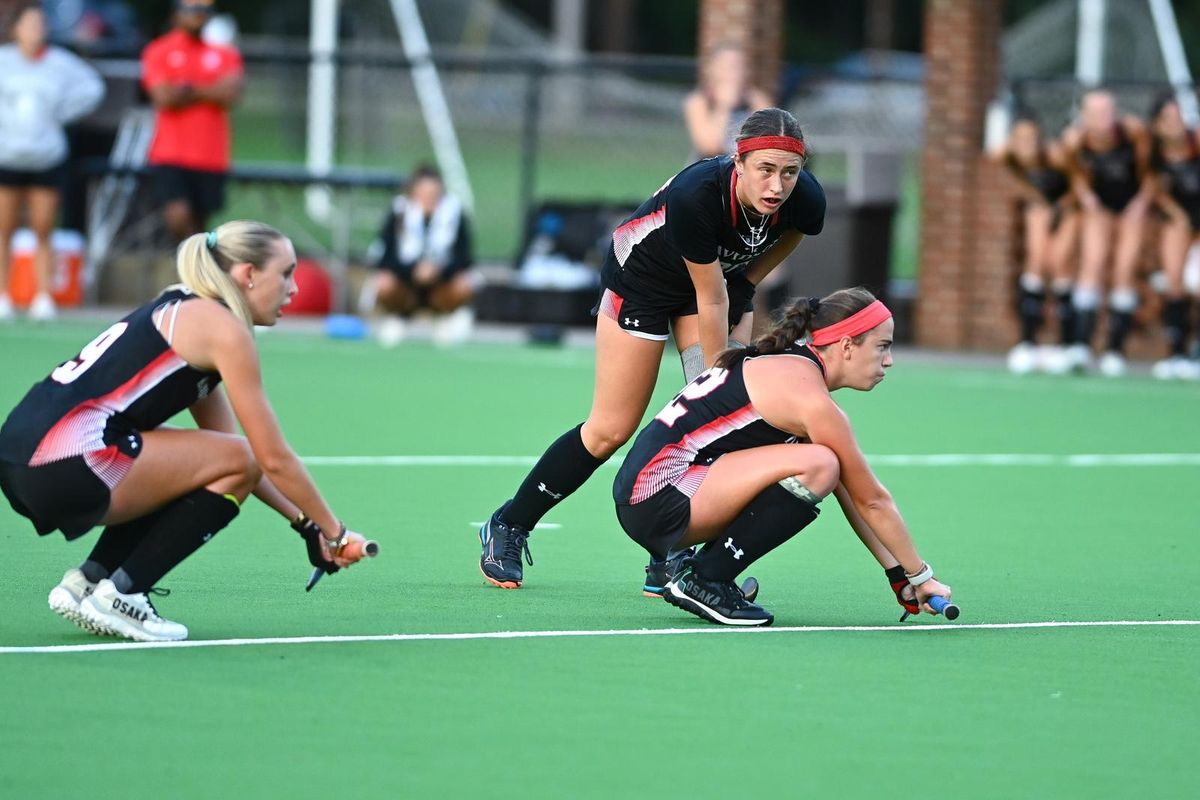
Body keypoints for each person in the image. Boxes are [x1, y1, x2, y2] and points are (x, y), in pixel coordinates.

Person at [477, 108, 825, 591]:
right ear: (738, 162)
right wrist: (718, 380)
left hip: (714, 285)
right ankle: (510, 523)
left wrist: (747, 281)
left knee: (720, 431)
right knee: (610, 430)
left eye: (788, 172)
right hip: (643, 281)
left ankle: (669, 557)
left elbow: (789, 237)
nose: (776, 185)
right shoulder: (697, 195)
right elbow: (709, 297)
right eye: (764, 170)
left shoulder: (805, 199)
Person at [0, 220, 370, 642]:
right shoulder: (223, 329)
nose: (295, 289)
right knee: (229, 457)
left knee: (208, 458)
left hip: (24, 457)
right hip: (65, 461)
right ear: (248, 274)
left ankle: (89, 582)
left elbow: (231, 457)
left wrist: (307, 525)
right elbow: (268, 457)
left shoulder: (183, 308)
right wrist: (336, 533)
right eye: (286, 273)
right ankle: (123, 594)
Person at [614, 289, 953, 626]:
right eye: (883, 346)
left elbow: (851, 491)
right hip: (659, 499)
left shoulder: (793, 365)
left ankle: (705, 575)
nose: (889, 360)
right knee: (820, 463)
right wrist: (922, 575)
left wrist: (898, 572)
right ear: (847, 346)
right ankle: (704, 580)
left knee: (824, 463)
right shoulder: (808, 396)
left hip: (653, 499)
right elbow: (873, 500)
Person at [0, 3, 104, 322]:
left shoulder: (60, 64)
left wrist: (61, 114)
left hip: (46, 157)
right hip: (8, 156)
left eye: (40, 24)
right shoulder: (4, 61)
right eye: (29, 24)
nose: (35, 30)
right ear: (16, 29)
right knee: (4, 228)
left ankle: (42, 296)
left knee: (43, 227)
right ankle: (4, 295)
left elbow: (91, 89)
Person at [1061, 89, 1154, 376]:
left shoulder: (1133, 132)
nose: (1103, 118)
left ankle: (1115, 350)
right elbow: (1074, 172)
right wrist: (1086, 196)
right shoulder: (1076, 139)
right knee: (1092, 263)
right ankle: (1081, 345)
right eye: (1096, 113)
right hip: (1100, 206)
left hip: (1132, 205)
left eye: (1108, 111)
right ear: (1085, 116)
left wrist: (1141, 202)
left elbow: (1151, 171)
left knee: (1125, 268)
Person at [141, 0, 243, 242]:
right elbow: (163, 96)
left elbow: (230, 93)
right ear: (177, 14)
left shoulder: (224, 53)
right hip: (171, 153)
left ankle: (195, 274)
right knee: (178, 216)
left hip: (210, 155)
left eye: (205, 11)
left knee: (201, 225)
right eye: (193, 10)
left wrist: (187, 90)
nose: (199, 16)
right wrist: (209, 90)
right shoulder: (159, 50)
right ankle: (189, 266)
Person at [990, 116, 1080, 374]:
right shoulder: (1010, 156)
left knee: (1059, 263)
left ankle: (1068, 345)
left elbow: (1079, 185)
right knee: (1036, 263)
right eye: (1020, 137)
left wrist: (1059, 209)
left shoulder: (1055, 157)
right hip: (1041, 208)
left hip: (1068, 208)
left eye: (1030, 137)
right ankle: (1027, 343)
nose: (1025, 143)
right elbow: (997, 159)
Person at [365, 164, 476, 347]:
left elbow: (464, 258)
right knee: (383, 283)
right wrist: (413, 271)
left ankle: (442, 318)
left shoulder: (454, 212)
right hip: (406, 281)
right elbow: (385, 256)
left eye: (434, 193)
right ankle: (399, 317)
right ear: (413, 192)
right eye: (424, 193)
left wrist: (438, 271)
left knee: (465, 284)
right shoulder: (399, 212)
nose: (429, 198)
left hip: (441, 282)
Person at [1147, 93, 1200, 381]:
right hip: (1178, 219)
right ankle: (1176, 353)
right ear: (1157, 125)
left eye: (1178, 116)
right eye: (1167, 118)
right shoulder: (1155, 152)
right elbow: (1157, 189)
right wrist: (1177, 214)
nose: (1175, 123)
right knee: (1175, 281)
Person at [684, 43, 773, 161]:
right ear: (712, 69)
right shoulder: (699, 102)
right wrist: (724, 106)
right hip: (710, 172)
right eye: (727, 66)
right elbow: (709, 147)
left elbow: (771, 144)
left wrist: (756, 103)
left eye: (739, 66)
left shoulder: (757, 101)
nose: (734, 72)